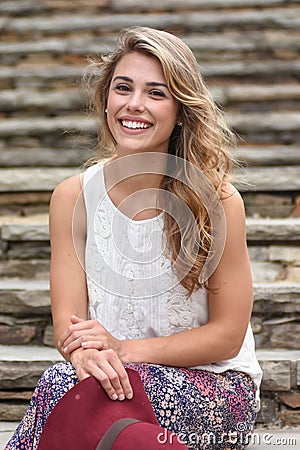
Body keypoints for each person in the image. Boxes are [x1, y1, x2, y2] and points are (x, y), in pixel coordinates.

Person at [5, 26, 262, 450]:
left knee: (78, 397)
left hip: (214, 386)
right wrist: (85, 355)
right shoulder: (72, 198)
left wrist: (123, 350)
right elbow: (70, 326)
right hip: (109, 376)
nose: (134, 104)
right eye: (123, 87)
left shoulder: (216, 201)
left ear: (181, 110)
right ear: (106, 99)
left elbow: (227, 335)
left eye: (157, 93)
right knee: (68, 382)